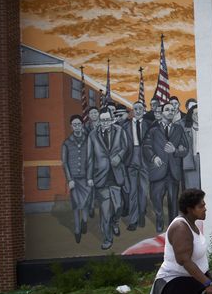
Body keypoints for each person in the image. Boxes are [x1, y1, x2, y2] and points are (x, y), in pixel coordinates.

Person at [87, 107, 129, 250]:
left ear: (111, 119)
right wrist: (89, 177)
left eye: (107, 120)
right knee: (105, 211)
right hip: (101, 177)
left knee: (118, 207)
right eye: (102, 120)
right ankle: (107, 238)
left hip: (116, 176)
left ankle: (115, 222)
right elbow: (90, 157)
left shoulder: (119, 131)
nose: (105, 123)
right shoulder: (93, 135)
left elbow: (125, 147)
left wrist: (119, 156)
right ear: (99, 119)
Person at [143, 102, 189, 232]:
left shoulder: (178, 129)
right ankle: (159, 217)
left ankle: (173, 226)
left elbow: (186, 149)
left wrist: (175, 150)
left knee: (173, 201)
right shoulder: (153, 129)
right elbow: (146, 147)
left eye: (172, 110)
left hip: (173, 171)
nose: (170, 112)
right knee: (155, 198)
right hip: (158, 170)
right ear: (161, 112)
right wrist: (154, 158)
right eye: (167, 109)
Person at [123, 101, 153, 230]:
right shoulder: (125, 126)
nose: (138, 110)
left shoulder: (149, 125)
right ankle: (133, 220)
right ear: (132, 111)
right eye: (135, 109)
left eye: (140, 108)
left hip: (145, 159)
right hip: (131, 159)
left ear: (144, 110)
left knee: (143, 190)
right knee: (133, 191)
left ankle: (141, 214)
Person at [62, 115, 91, 243]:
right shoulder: (67, 143)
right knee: (75, 206)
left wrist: (90, 177)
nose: (77, 126)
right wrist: (69, 180)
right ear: (71, 126)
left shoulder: (87, 140)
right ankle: (77, 230)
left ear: (82, 125)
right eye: (74, 124)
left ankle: (84, 221)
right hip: (74, 179)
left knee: (85, 203)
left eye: (79, 124)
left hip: (85, 178)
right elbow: (64, 162)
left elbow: (91, 160)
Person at [178, 102, 201, 190]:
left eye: (200, 113)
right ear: (190, 115)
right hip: (191, 160)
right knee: (192, 190)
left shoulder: (209, 128)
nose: (198, 116)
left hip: (206, 161)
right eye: (195, 114)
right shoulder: (185, 129)